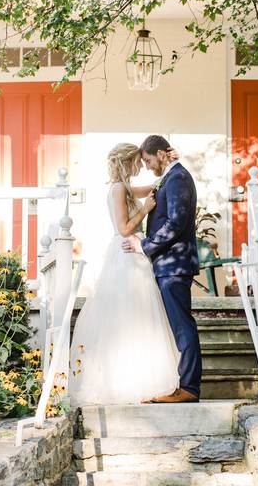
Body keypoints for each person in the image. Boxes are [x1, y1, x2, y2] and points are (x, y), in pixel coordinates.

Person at [67, 142, 180, 405]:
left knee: (139, 315)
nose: (142, 165)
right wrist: (144, 210)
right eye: (138, 162)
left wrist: (170, 162)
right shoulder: (118, 189)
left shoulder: (125, 187)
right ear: (128, 162)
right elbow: (124, 228)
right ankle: (123, 382)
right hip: (126, 255)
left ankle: (138, 377)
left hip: (134, 257)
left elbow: (156, 187)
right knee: (128, 316)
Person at [122, 135, 202, 403]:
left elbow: (176, 222)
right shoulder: (170, 176)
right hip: (168, 264)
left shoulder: (178, 178)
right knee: (178, 325)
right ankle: (183, 383)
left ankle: (189, 387)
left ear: (159, 153)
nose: (146, 165)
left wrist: (145, 246)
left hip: (175, 264)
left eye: (147, 160)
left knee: (182, 326)